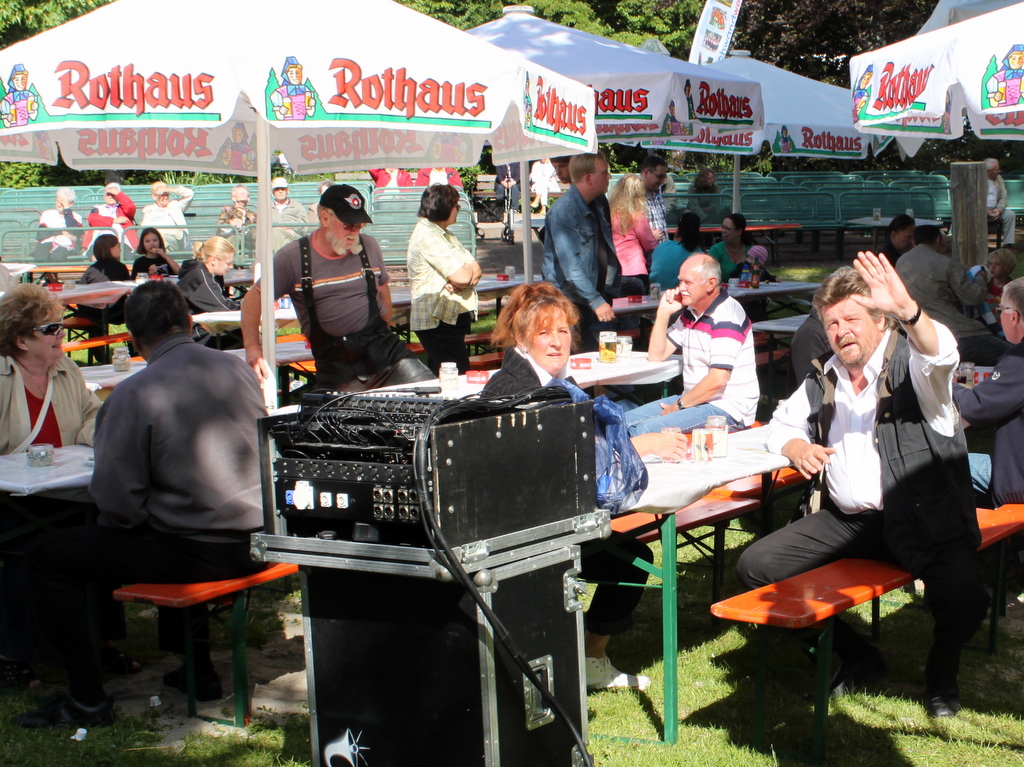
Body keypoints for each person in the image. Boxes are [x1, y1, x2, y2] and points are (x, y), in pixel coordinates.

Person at [737, 255, 988, 719]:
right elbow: (780, 424)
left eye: (852, 319)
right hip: (850, 522)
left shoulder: (914, 369)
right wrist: (795, 446)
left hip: (923, 518)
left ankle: (941, 676)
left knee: (965, 595)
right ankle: (855, 655)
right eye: (832, 323)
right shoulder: (824, 374)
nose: (841, 331)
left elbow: (941, 356)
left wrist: (910, 311)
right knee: (756, 567)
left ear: (880, 320)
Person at [13, 281, 268, 729]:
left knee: (46, 555)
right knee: (166, 528)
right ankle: (199, 670)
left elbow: (118, 504)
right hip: (259, 538)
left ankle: (86, 698)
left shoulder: (135, 392)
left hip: (199, 548)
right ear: (188, 322)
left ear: (132, 338)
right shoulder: (236, 368)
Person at [483, 282, 688, 690]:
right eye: (544, 332)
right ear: (522, 338)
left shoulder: (551, 379)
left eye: (563, 331)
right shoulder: (521, 390)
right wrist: (648, 446)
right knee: (630, 560)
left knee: (629, 556)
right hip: (524, 531)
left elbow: (585, 451)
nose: (557, 341)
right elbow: (577, 461)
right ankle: (583, 657)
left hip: (551, 514)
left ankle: (589, 658)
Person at [0, 284, 100, 691]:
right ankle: (12, 655)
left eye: (60, 325)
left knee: (105, 533)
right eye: (51, 329)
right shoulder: (2, 376)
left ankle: (98, 643)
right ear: (21, 341)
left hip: (64, 491)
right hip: (11, 497)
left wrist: (99, 436)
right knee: (24, 549)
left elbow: (93, 417)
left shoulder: (67, 369)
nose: (62, 334)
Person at [242, 184, 433, 392]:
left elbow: (383, 289)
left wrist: (384, 329)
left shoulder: (369, 246)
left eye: (359, 226)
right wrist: (253, 347)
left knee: (433, 394)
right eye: (348, 226)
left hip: (388, 357)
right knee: (337, 413)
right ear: (325, 218)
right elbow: (253, 299)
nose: (354, 233)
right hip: (336, 367)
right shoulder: (293, 257)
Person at [625, 254, 758, 436]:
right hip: (694, 401)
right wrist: (663, 313)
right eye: (680, 281)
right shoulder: (691, 312)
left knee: (644, 431)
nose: (680, 288)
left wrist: (678, 406)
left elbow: (718, 379)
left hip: (728, 409)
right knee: (620, 421)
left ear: (711, 284)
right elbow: (657, 355)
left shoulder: (727, 316)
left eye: (688, 283)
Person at [896, 225, 1011, 365]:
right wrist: (981, 279)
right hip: (957, 333)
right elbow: (974, 297)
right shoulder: (947, 264)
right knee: (1015, 356)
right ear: (938, 240)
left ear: (914, 241)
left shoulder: (901, 263)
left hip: (918, 334)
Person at [956, 276, 1024, 511]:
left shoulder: (1019, 358)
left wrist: (947, 383)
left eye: (1000, 310)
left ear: (1013, 317)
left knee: (930, 465)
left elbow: (976, 406)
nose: (999, 316)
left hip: (1018, 485)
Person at [541, 152, 620, 352]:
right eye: (604, 172)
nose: (609, 176)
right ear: (588, 177)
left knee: (604, 359)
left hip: (594, 297)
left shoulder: (598, 203)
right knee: (572, 362)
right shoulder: (564, 211)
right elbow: (571, 267)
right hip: (570, 303)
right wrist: (596, 301)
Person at [407, 184, 482, 375]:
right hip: (437, 321)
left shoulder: (445, 234)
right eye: (456, 205)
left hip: (447, 319)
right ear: (445, 207)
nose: (458, 210)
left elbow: (476, 269)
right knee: (458, 377)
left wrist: (464, 275)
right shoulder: (429, 236)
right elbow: (463, 276)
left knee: (447, 377)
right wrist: (464, 275)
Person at [177, 236, 242, 347]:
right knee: (246, 334)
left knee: (244, 332)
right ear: (213, 260)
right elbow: (223, 307)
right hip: (191, 335)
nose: (231, 266)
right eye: (228, 263)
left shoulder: (206, 273)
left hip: (194, 330)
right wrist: (248, 305)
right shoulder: (200, 276)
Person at [609, 174, 657, 297]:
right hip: (633, 272)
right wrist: (655, 236)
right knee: (635, 309)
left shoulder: (609, 213)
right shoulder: (637, 216)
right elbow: (650, 245)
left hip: (612, 272)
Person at [76, 234, 130, 327]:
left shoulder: (92, 269)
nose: (120, 249)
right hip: (115, 311)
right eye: (118, 246)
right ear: (111, 250)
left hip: (90, 312)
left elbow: (81, 288)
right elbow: (127, 288)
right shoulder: (121, 267)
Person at [650, 212, 703, 291]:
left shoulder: (660, 247)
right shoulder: (697, 253)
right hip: (678, 294)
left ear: (678, 228)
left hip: (654, 293)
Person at [140, 181, 194, 252]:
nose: (165, 197)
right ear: (154, 196)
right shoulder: (149, 209)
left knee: (163, 237)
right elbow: (145, 227)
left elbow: (189, 194)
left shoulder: (175, 205)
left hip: (176, 239)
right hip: (157, 240)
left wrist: (169, 189)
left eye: (167, 194)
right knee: (156, 238)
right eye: (162, 194)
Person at [34, 188, 82, 262]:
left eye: (62, 201)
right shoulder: (47, 214)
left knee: (57, 257)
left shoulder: (76, 217)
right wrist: (62, 233)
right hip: (47, 242)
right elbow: (41, 235)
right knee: (40, 256)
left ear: (70, 203)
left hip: (66, 245)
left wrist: (67, 211)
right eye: (57, 201)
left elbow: (74, 232)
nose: (59, 204)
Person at [86, 182, 137, 252]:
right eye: (108, 194)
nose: (110, 197)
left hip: (122, 242)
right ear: (104, 196)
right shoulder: (98, 208)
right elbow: (92, 219)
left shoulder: (123, 209)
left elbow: (130, 207)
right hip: (101, 242)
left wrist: (118, 193)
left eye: (113, 194)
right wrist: (114, 220)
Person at [708, 213, 756, 281]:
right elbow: (710, 278)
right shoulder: (716, 250)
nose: (723, 231)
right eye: (722, 227)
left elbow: (760, 275)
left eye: (728, 228)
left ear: (739, 232)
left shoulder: (751, 250)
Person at [270, 177, 309, 251]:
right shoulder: (267, 208)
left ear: (287, 190)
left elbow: (304, 224)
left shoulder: (297, 206)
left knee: (280, 236)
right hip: (273, 237)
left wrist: (288, 227)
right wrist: (276, 229)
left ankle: (277, 258)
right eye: (277, 189)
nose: (280, 191)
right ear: (273, 191)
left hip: (293, 236)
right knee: (281, 238)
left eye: (283, 189)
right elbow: (262, 225)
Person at [216, 184, 256, 253]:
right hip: (232, 241)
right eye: (240, 192)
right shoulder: (227, 213)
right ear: (233, 198)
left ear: (248, 198)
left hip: (248, 242)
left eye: (245, 192)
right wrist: (231, 223)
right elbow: (219, 229)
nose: (243, 193)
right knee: (234, 238)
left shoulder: (253, 215)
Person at [985, 158, 1016, 248]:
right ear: (988, 171)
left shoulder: (999, 179)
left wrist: (999, 209)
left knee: (1010, 214)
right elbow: (974, 200)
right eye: (996, 170)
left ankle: (1008, 245)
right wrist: (985, 211)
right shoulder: (977, 179)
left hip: (996, 208)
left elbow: (1003, 197)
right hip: (980, 210)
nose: (999, 171)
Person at [640, 154, 669, 243]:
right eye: (659, 176)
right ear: (646, 173)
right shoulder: (634, 195)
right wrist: (649, 236)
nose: (662, 181)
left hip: (662, 249)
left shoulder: (657, 191)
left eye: (664, 177)